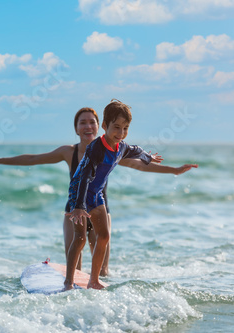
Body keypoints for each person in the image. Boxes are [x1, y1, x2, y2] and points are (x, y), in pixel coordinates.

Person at [0, 107, 163, 276]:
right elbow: (34, 158)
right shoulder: (69, 152)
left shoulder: (113, 149)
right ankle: (72, 292)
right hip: (75, 209)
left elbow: (140, 162)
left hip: (100, 208)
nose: (88, 126)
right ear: (76, 129)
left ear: (100, 127)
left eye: (92, 122)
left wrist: (174, 170)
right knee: (75, 268)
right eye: (82, 122)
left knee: (103, 271)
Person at [65, 99, 198, 290]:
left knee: (104, 236)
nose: (121, 133)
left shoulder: (121, 147)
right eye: (116, 127)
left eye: (125, 128)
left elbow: (136, 150)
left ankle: (93, 280)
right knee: (80, 239)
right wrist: (78, 206)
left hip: (96, 194)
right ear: (104, 126)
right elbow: (85, 175)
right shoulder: (96, 148)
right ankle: (68, 282)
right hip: (79, 191)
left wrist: (148, 157)